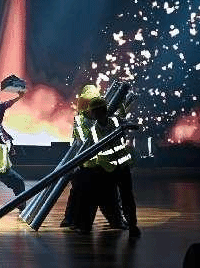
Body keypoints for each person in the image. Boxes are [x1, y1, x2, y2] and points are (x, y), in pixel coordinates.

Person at [73, 96, 140, 237]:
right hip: (109, 169)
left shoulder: (115, 122)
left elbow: (131, 124)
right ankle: (88, 226)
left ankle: (132, 225)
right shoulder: (95, 130)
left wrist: (128, 125)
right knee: (104, 197)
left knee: (125, 197)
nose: (97, 114)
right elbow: (89, 149)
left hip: (119, 167)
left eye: (96, 111)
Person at [60, 88, 127, 230]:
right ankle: (73, 220)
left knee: (107, 195)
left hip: (103, 166)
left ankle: (115, 220)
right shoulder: (82, 121)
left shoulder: (109, 121)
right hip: (88, 165)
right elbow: (85, 141)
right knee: (82, 194)